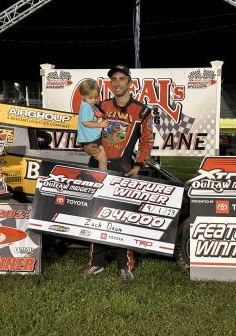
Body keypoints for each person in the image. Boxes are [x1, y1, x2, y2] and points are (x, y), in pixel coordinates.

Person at [79, 65, 154, 283]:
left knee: (123, 217)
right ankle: (96, 263)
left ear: (130, 82)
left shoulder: (142, 110)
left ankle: (124, 265)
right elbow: (85, 131)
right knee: (95, 215)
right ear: (110, 83)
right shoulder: (100, 105)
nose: (117, 82)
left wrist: (139, 164)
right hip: (98, 163)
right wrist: (87, 147)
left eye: (122, 78)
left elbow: (147, 141)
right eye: (114, 79)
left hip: (123, 167)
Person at [76, 79, 109, 170]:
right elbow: (85, 123)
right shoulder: (87, 106)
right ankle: (104, 177)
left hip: (89, 138)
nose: (94, 100)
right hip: (91, 139)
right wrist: (100, 125)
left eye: (96, 97)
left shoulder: (86, 104)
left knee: (100, 159)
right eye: (91, 98)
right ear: (82, 96)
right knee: (103, 160)